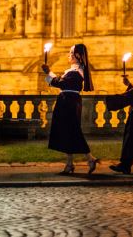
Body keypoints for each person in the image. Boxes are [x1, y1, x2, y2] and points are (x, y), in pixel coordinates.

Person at [41, 44, 99, 174]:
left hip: (69, 103)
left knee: (73, 131)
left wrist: (48, 72)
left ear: (77, 56)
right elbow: (61, 83)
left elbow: (61, 83)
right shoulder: (73, 70)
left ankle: (90, 158)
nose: (69, 55)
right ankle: (69, 164)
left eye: (71, 53)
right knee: (69, 132)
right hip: (67, 102)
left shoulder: (77, 72)